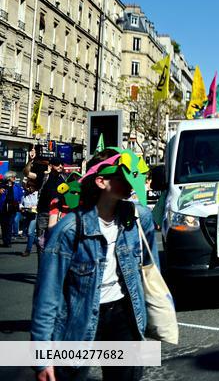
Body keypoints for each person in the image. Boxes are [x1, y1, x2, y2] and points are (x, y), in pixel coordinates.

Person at [31, 149, 157, 381]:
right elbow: (47, 294)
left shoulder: (139, 218)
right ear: (101, 181)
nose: (132, 183)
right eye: (123, 176)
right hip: (79, 319)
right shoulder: (68, 229)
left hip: (122, 315)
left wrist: (151, 316)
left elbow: (150, 270)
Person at [0, 171, 23, 247]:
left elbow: (20, 195)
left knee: (10, 224)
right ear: (9, 178)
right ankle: (5, 240)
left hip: (12, 207)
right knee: (4, 225)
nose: (15, 178)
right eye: (13, 177)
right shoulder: (2, 186)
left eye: (15, 177)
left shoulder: (17, 186)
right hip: (3, 207)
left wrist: (18, 203)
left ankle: (8, 241)